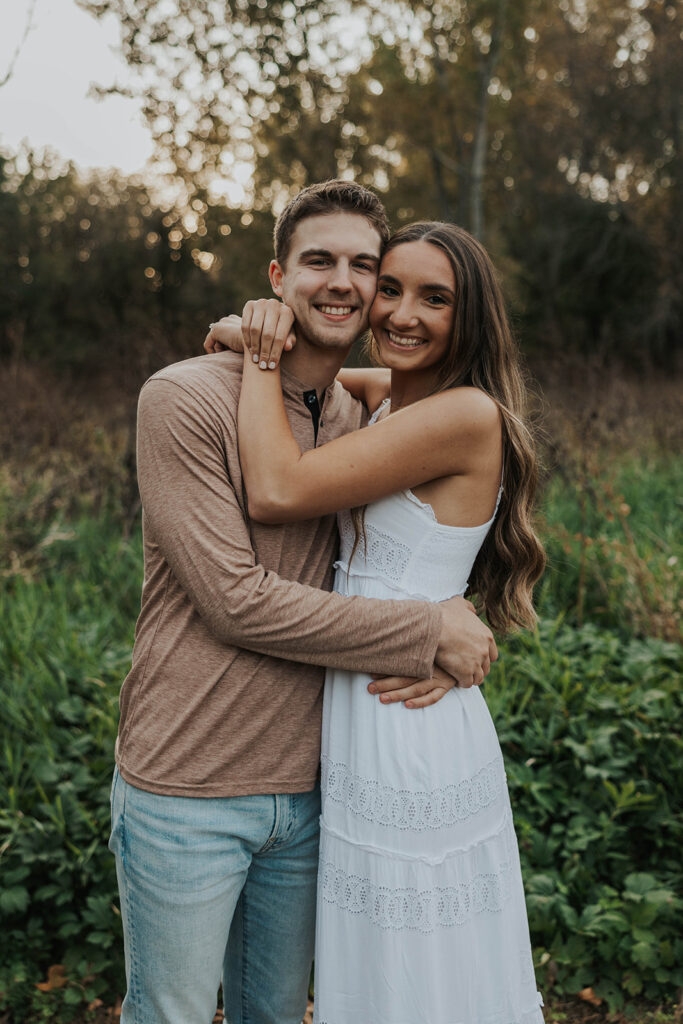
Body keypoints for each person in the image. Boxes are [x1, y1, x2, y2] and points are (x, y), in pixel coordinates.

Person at [111, 182, 498, 1024]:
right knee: (170, 1014)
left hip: (323, 782)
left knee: (278, 1016)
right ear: (278, 277)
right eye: (320, 260)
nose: (345, 282)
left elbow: (427, 534)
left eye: (366, 266)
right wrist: (424, 629)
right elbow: (237, 603)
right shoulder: (182, 399)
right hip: (191, 784)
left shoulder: (362, 408)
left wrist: (450, 616)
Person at [211, 220, 546, 1024]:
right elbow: (348, 380)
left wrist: (259, 354)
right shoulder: (395, 397)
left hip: (407, 720)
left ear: (471, 319)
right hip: (368, 700)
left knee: (418, 956)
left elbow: (278, 492)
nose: (401, 313)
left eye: (435, 299)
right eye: (388, 288)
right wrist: (249, 324)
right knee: (378, 948)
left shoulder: (463, 414)